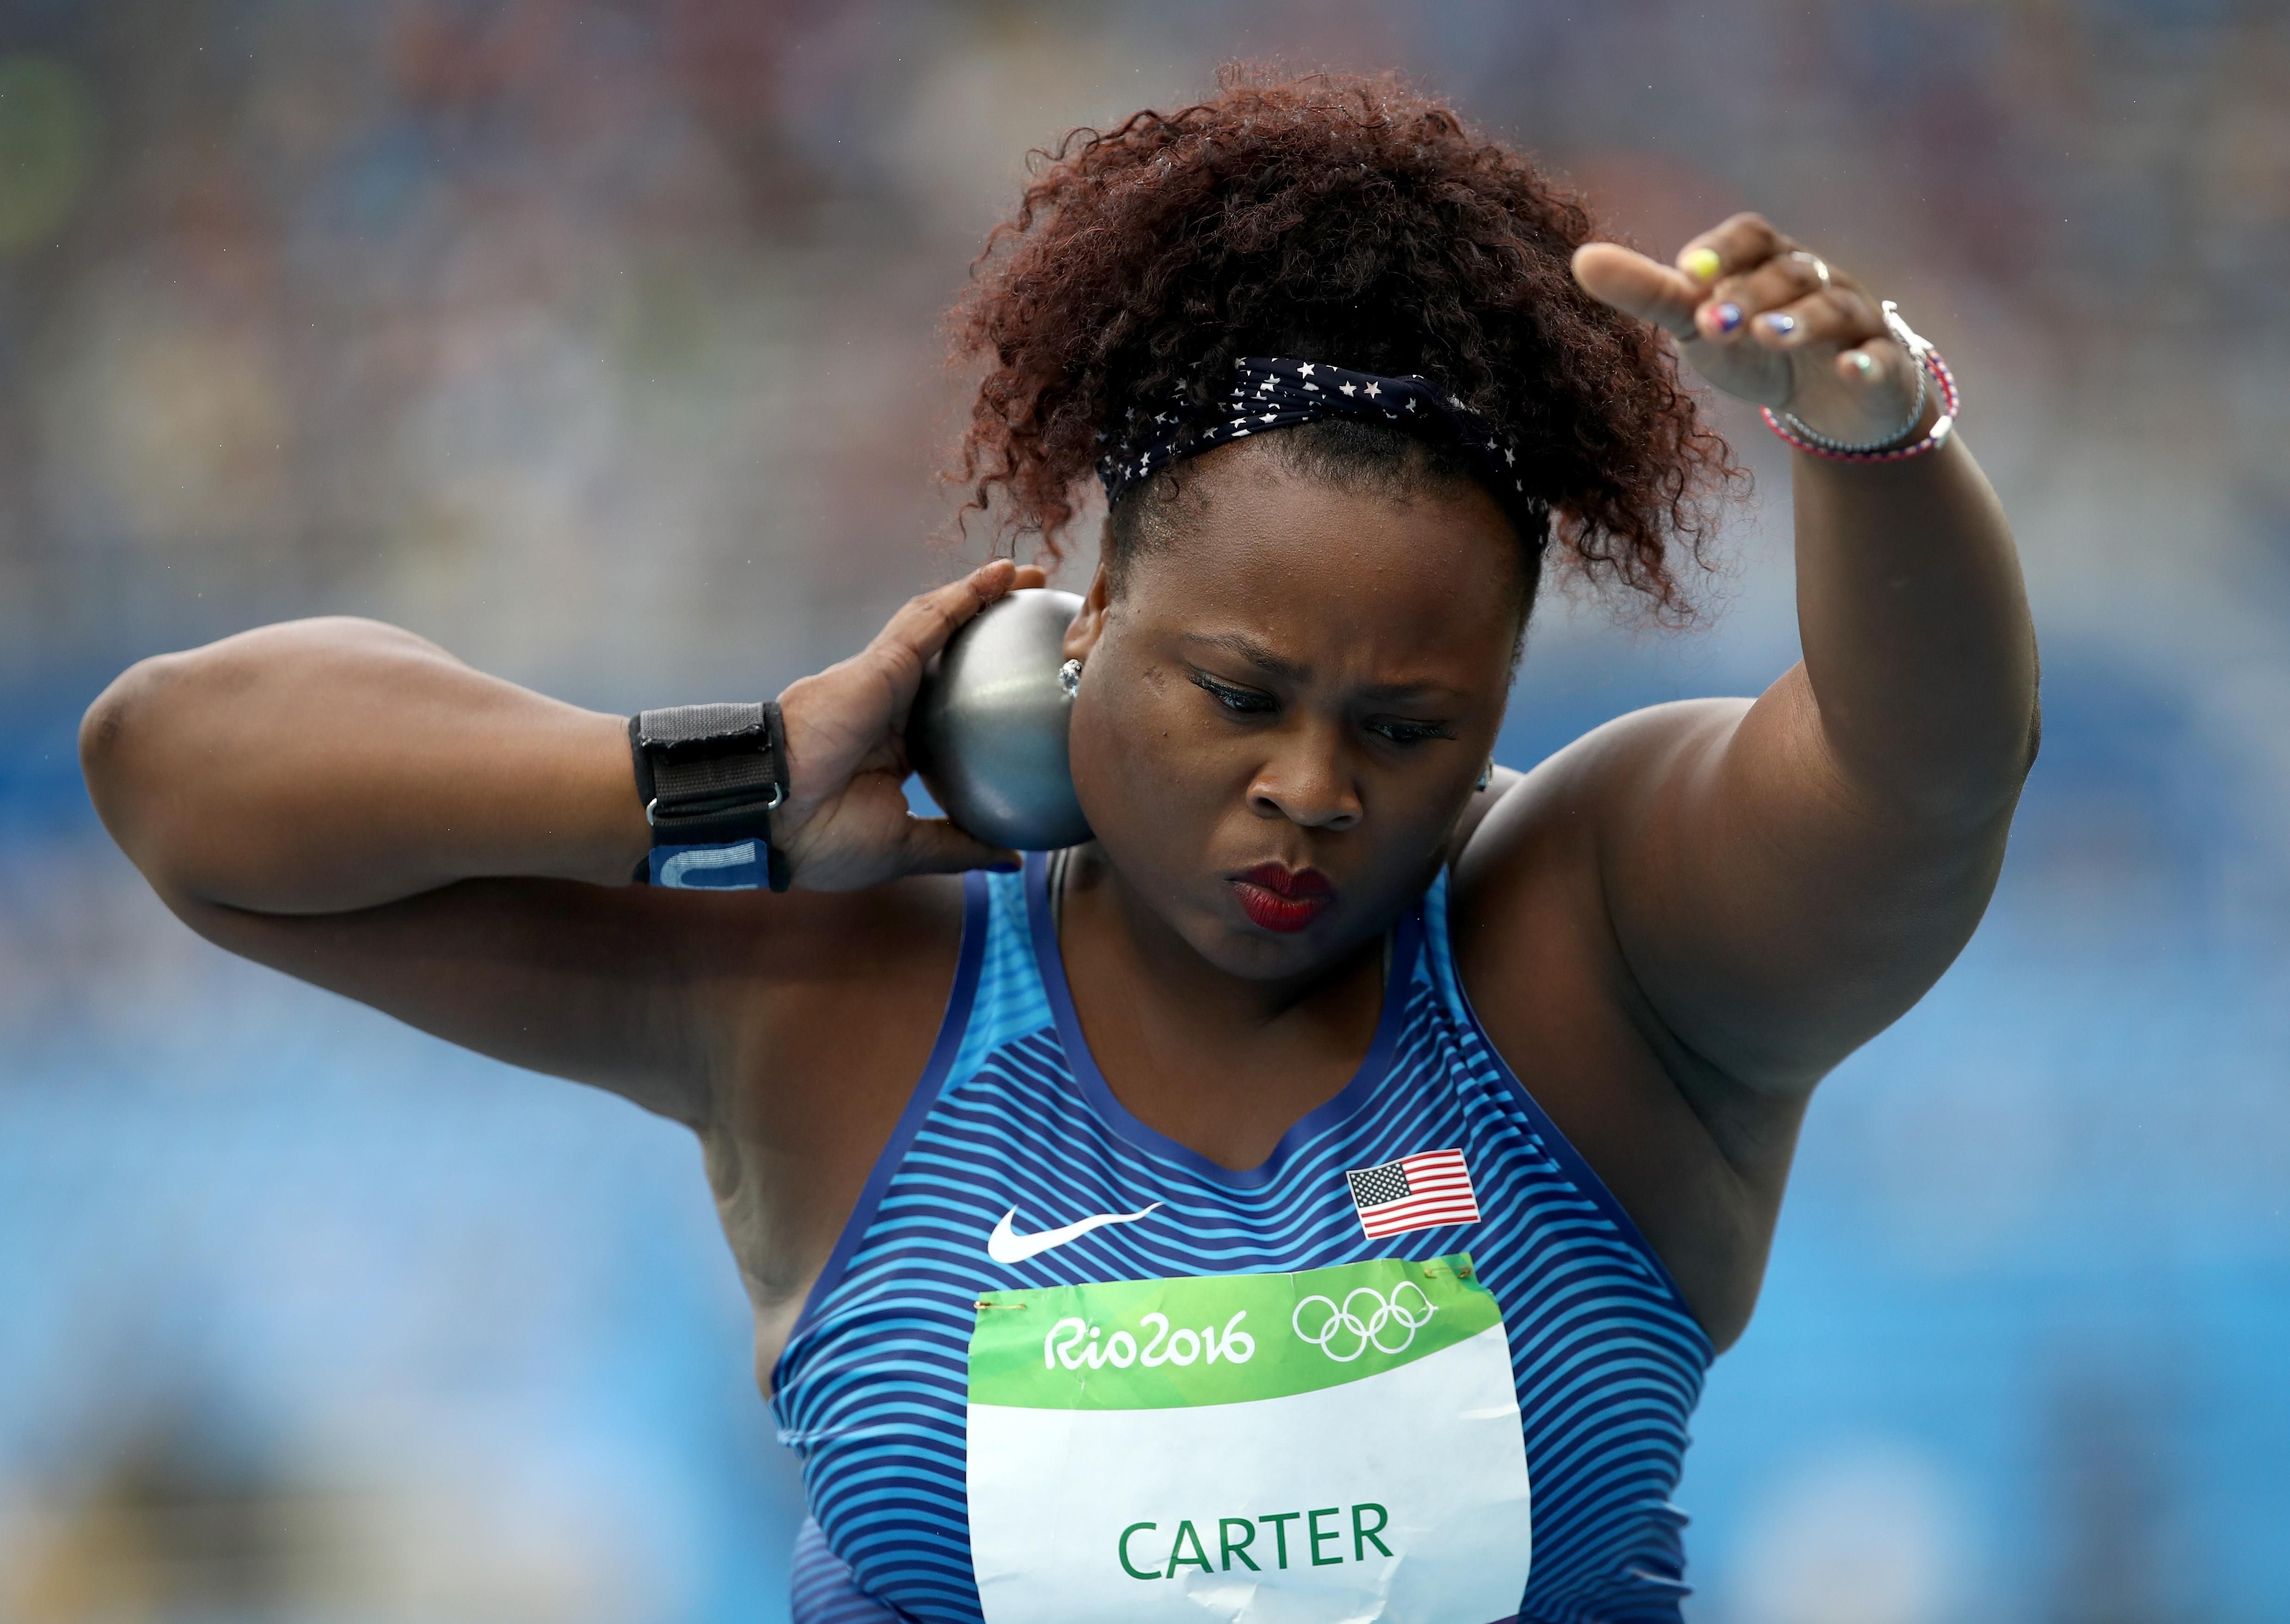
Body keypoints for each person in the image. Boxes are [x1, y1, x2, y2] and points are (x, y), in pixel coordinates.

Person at [80, 70, 2036, 1624]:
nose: (1311, 788)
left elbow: (1922, 772)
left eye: (1405, 727)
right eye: (1237, 691)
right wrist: (727, 782)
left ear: (1502, 710)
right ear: (1074, 628)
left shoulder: (1594, 957)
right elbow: (181, 771)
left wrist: (1877, 444)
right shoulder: (834, 984)